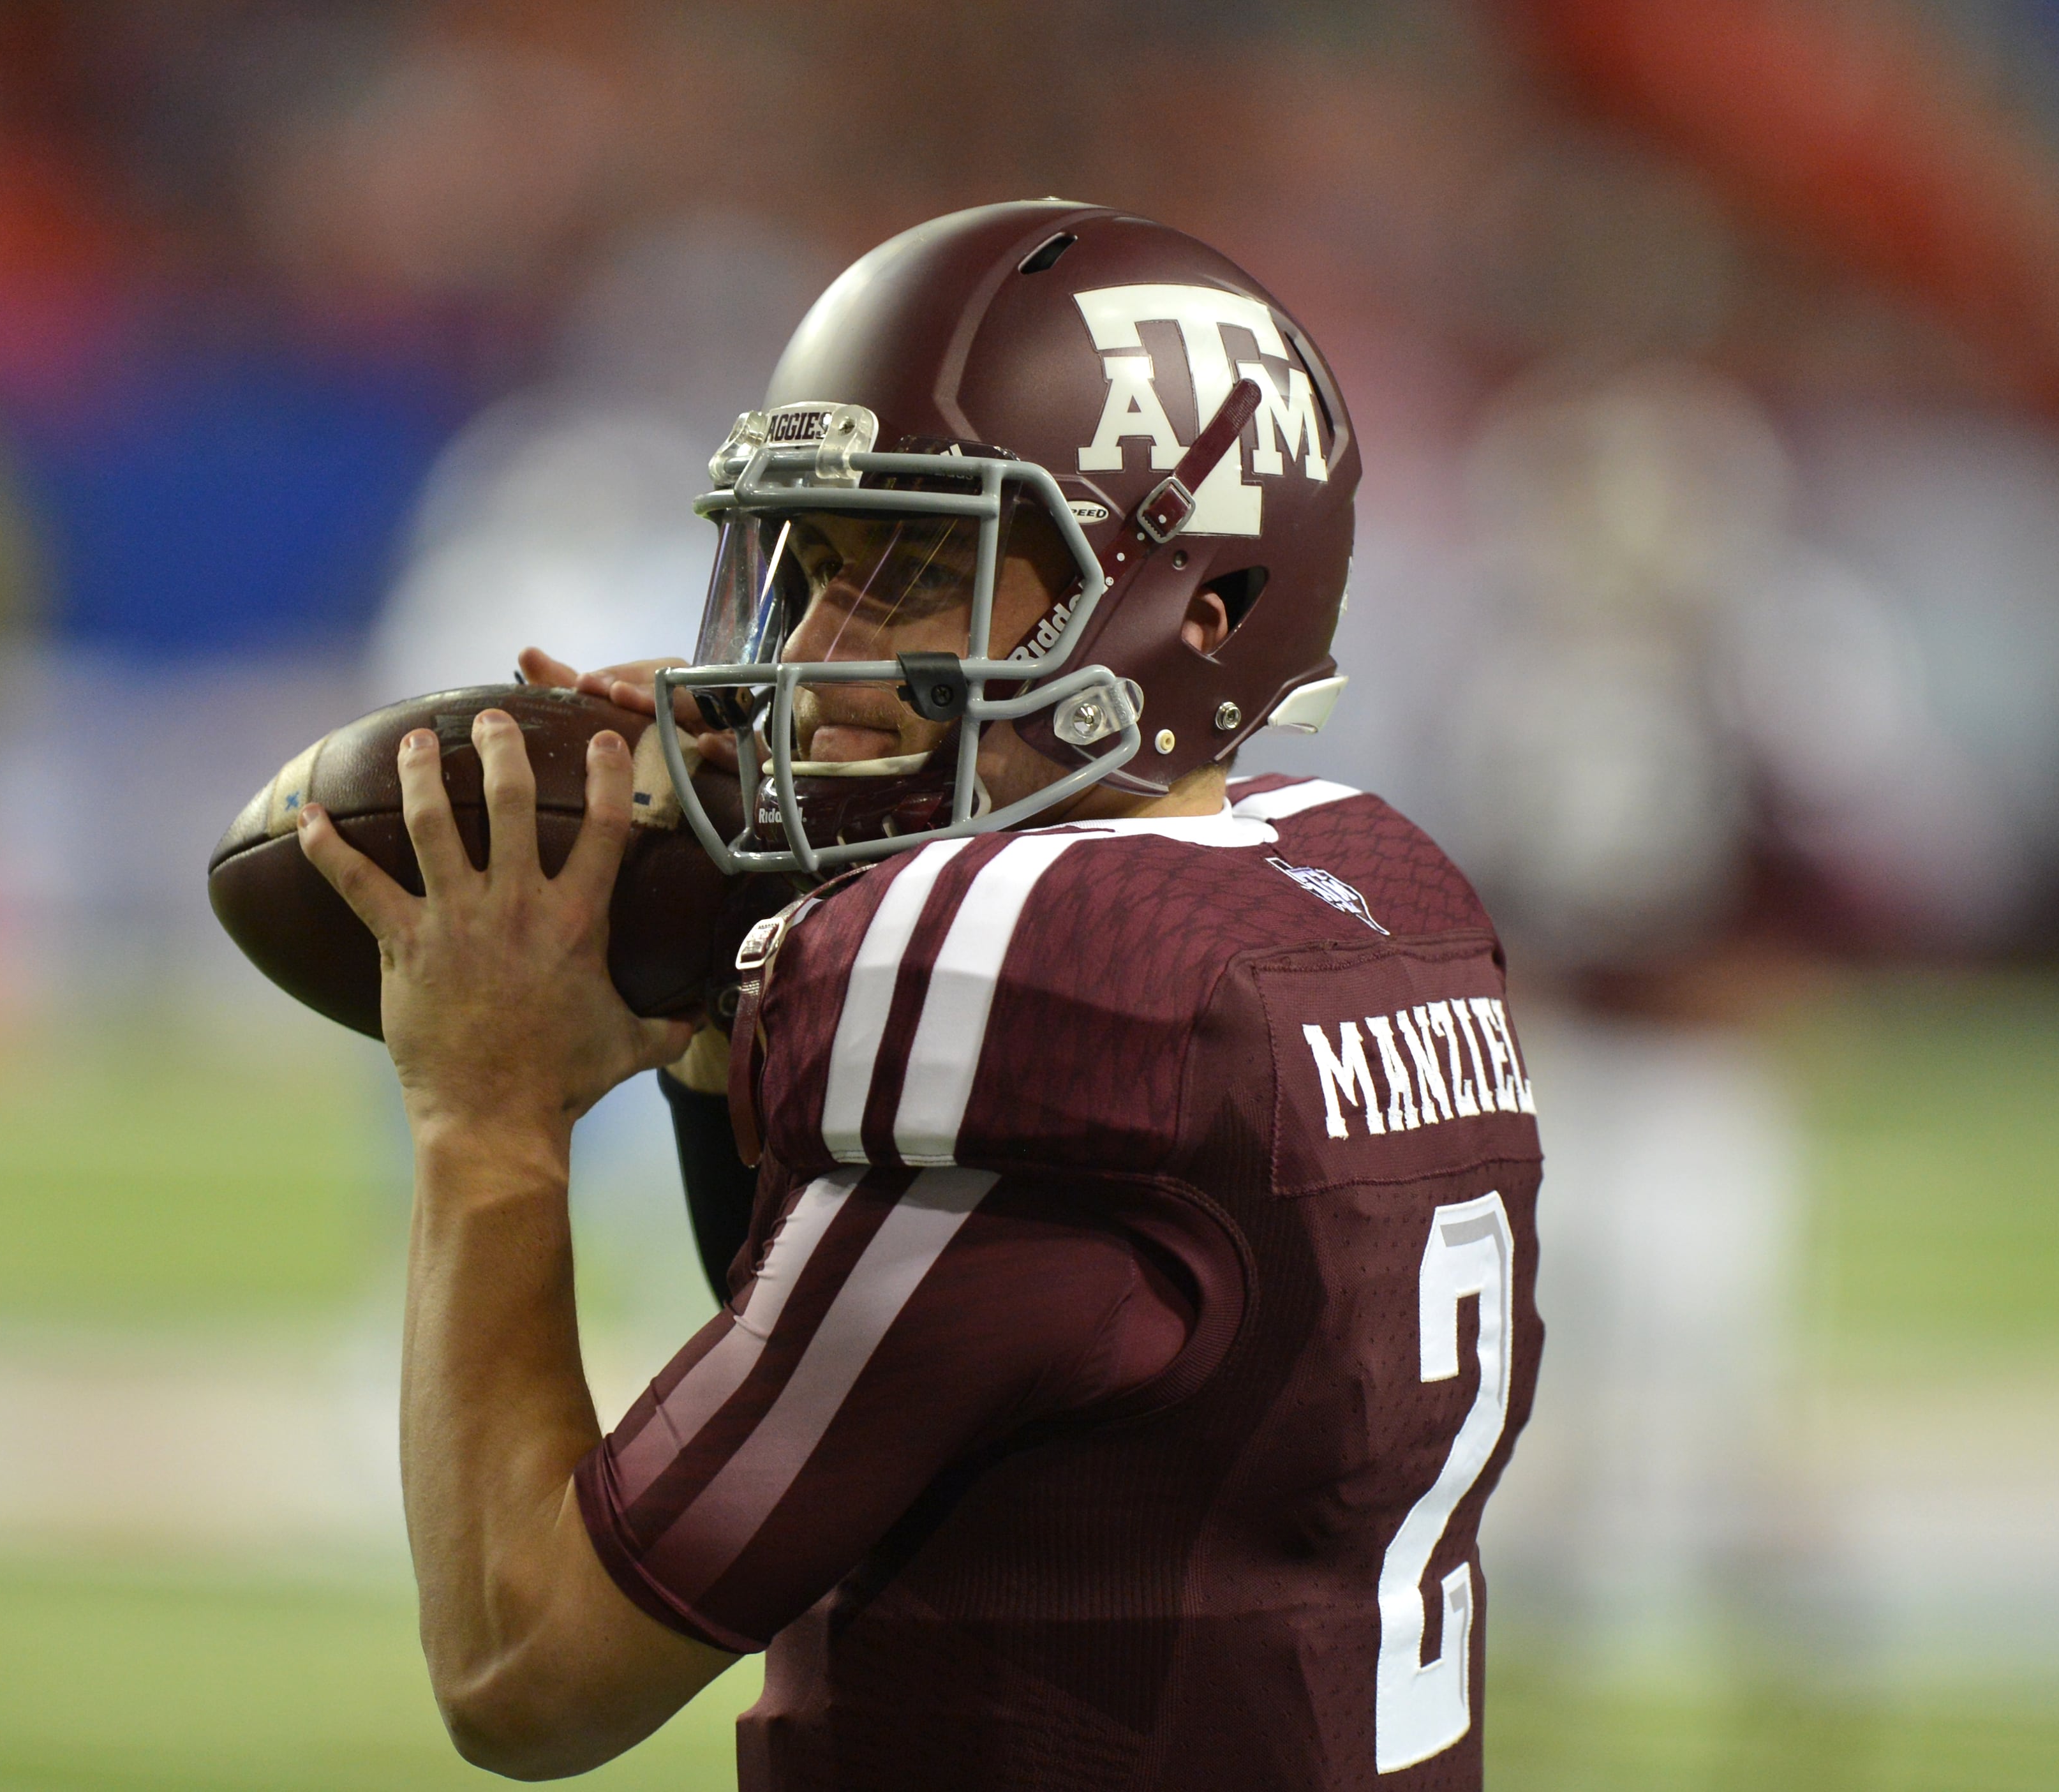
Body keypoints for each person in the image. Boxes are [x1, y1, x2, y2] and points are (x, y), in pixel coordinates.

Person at [295, 202, 1544, 1789]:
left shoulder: (1039, 975)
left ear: (1200, 604)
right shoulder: (1365, 888)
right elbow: (858, 1375)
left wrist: (485, 1120)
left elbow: (527, 1670)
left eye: (904, 577)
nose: (810, 650)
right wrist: (713, 1006)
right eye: (806, 568)